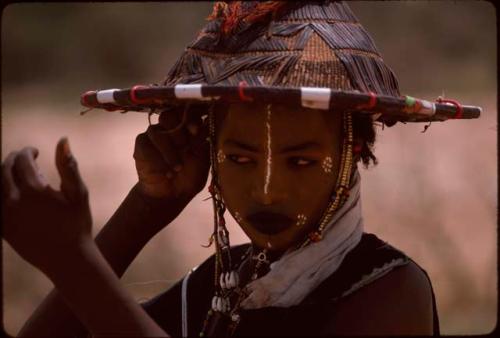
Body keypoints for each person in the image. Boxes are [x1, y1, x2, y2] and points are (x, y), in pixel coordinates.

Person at [3, 1, 480, 337]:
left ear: (354, 153)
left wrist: (76, 265)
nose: (267, 192)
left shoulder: (390, 291)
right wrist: (146, 209)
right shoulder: (224, 285)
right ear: (208, 153)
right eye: (238, 159)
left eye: (302, 161)